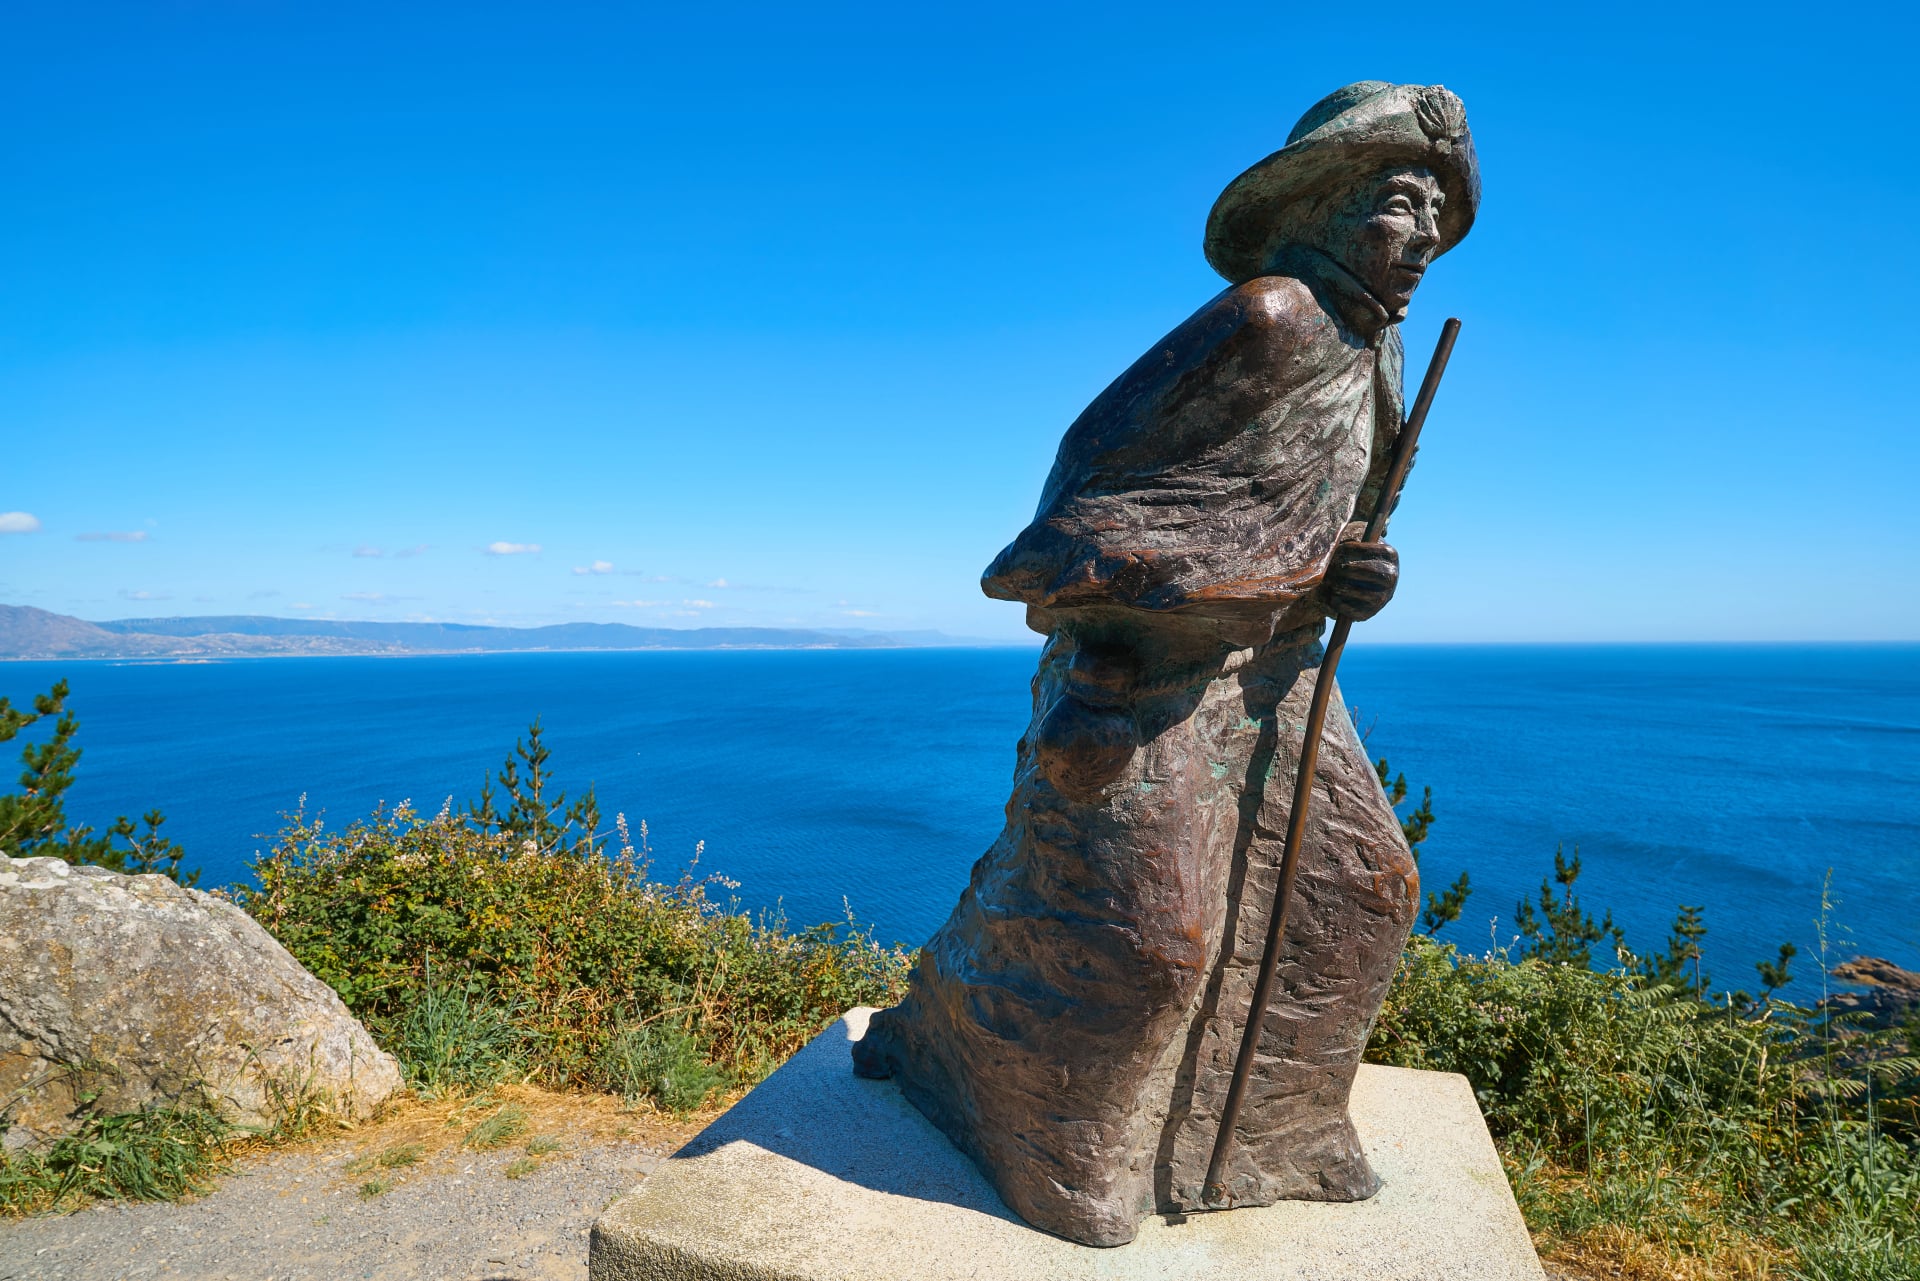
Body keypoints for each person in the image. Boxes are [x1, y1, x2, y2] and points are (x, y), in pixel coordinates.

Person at [853, 81, 1480, 1249]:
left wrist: (1358, 581)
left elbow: (1325, 528)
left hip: (1280, 678)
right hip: (1147, 680)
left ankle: (1269, 1140)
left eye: (1439, 214)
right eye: (1403, 203)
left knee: (1365, 892)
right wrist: (1266, 586)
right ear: (1323, 203)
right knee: (1154, 941)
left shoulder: (1379, 354)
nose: (1428, 237)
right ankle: (1025, 1121)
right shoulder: (1272, 317)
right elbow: (1074, 505)